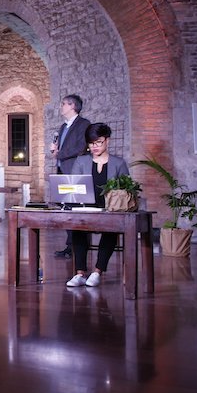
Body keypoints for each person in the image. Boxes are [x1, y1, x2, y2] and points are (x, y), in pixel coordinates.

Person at [65, 123, 130, 288]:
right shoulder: (81, 161)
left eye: (99, 142)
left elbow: (126, 189)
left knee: (111, 230)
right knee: (77, 228)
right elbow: (73, 187)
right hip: (85, 208)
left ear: (107, 141)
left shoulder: (118, 163)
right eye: (91, 143)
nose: (94, 146)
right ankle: (80, 273)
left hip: (110, 210)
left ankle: (97, 271)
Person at [50, 94, 91, 258]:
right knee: (66, 208)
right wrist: (55, 150)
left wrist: (60, 154)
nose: (61, 107)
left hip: (76, 172)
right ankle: (70, 246)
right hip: (63, 171)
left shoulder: (84, 124)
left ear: (73, 106)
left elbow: (81, 147)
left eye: (64, 104)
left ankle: (80, 247)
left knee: (77, 210)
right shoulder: (62, 126)